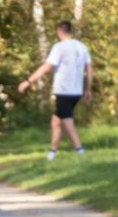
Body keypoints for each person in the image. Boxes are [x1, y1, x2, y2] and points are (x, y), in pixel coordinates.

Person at [18, 20, 93, 161]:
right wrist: (88, 89)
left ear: (59, 32)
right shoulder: (82, 47)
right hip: (77, 91)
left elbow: (47, 67)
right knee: (56, 121)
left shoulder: (59, 47)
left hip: (64, 91)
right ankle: (51, 154)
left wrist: (28, 82)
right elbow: (89, 68)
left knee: (67, 122)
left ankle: (81, 153)